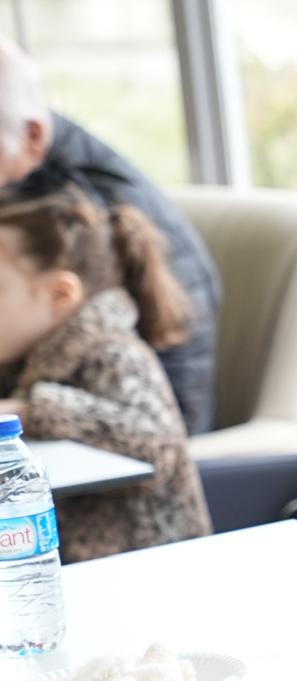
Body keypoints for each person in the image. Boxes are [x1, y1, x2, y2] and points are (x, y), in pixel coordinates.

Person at [0, 36, 220, 434]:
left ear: (32, 137)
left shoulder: (80, 225)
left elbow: (162, 427)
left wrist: (28, 411)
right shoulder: (27, 199)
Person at [0, 170, 211, 562]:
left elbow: (156, 446)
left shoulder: (114, 354)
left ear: (60, 294)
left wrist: (31, 411)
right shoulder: (22, 358)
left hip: (147, 574)